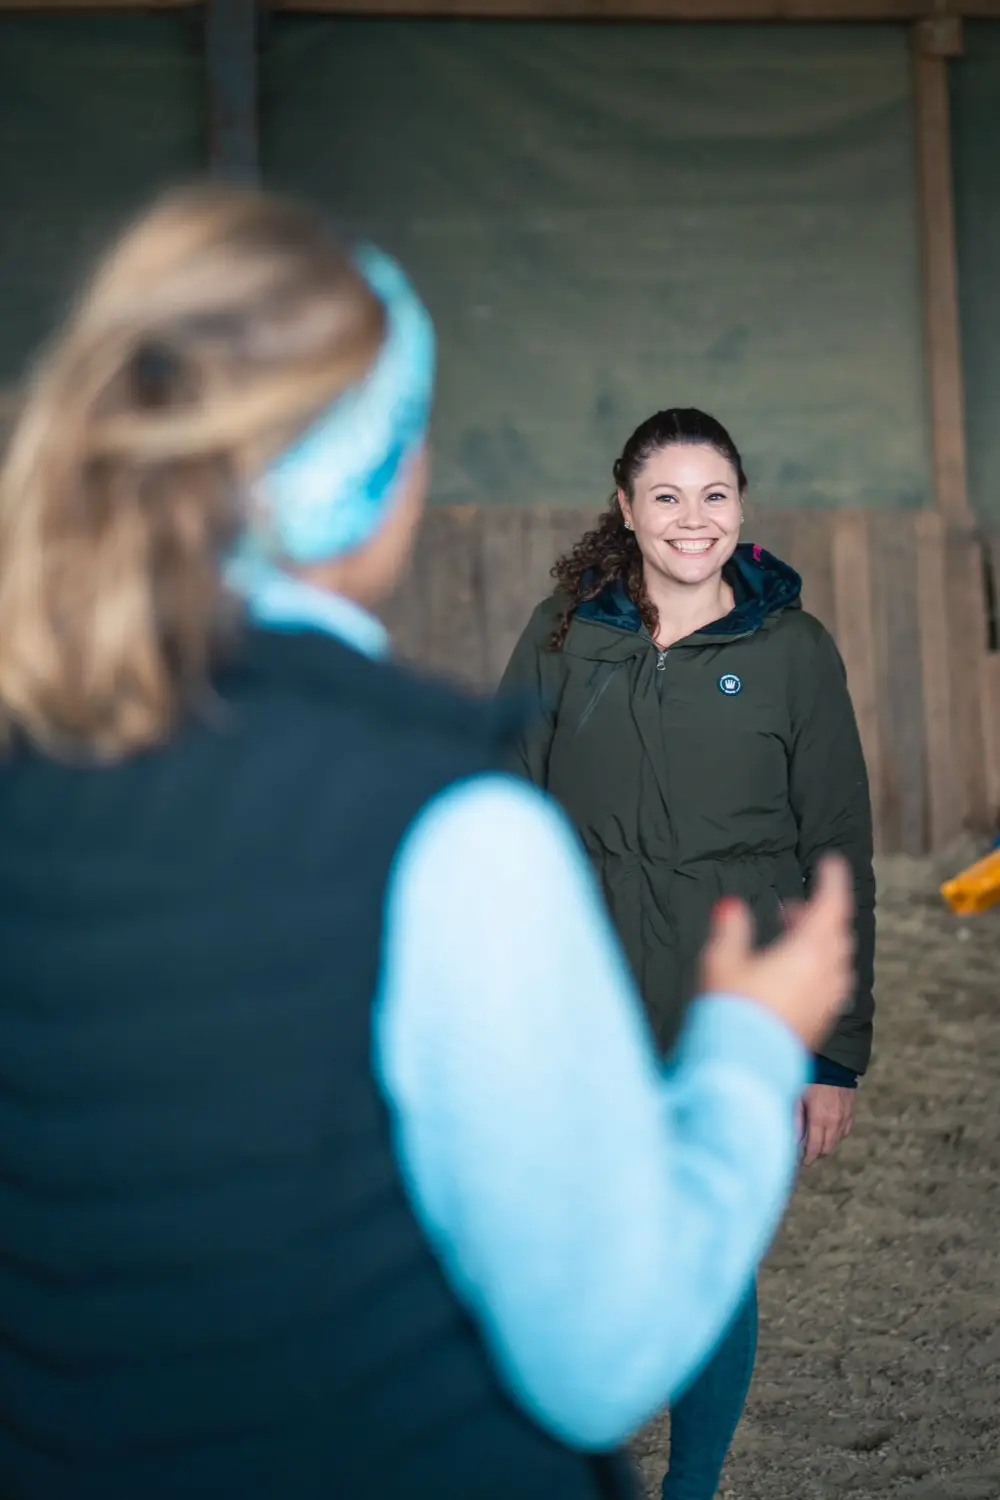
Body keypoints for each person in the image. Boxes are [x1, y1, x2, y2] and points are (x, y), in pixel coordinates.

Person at [0, 197, 856, 1500]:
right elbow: (600, 1353)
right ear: (390, 475)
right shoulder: (447, 835)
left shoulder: (34, 774)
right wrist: (751, 1042)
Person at [499, 407, 876, 1500]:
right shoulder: (564, 635)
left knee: (708, 1265)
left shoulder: (793, 651)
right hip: (589, 1009)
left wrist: (834, 1053)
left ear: (742, 505)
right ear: (625, 509)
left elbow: (836, 848)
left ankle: (693, 1487)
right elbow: (504, 810)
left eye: (713, 494)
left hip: (744, 1014)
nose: (691, 519)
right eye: (665, 496)